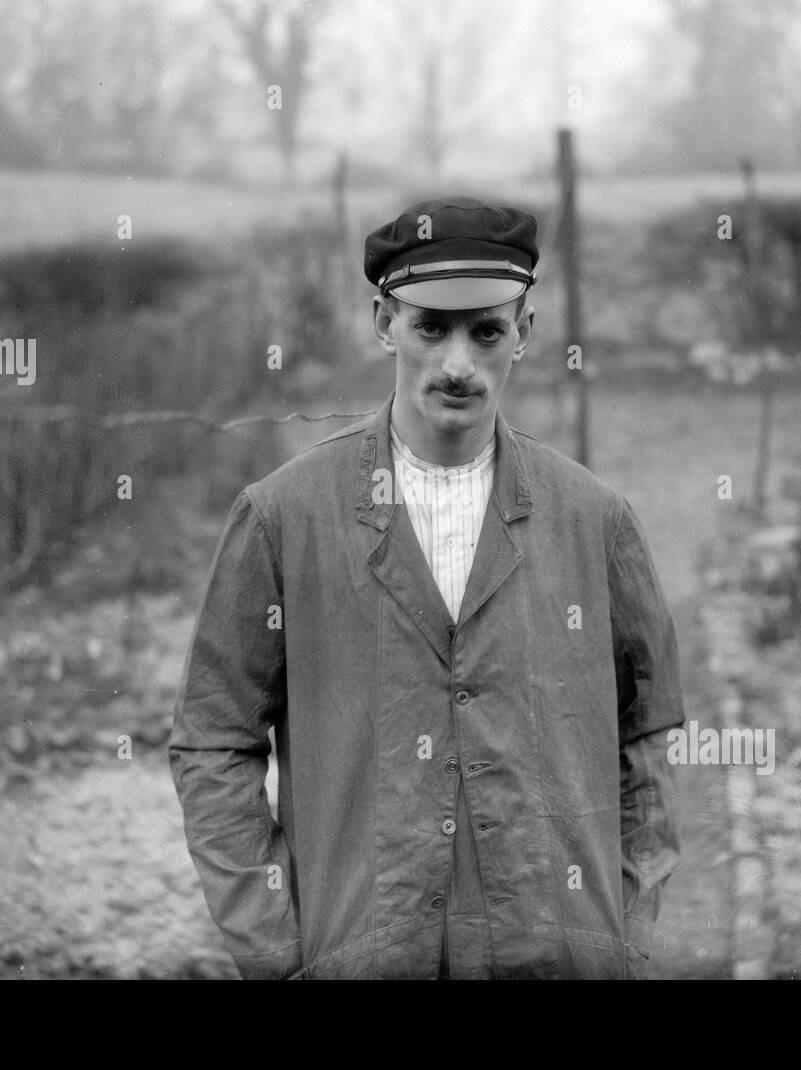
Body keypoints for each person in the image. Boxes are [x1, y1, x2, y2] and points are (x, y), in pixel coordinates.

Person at [169, 196, 685, 980]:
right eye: (430, 328)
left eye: (487, 332)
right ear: (384, 323)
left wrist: (617, 934)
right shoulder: (282, 518)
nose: (457, 365)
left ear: (526, 334)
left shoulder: (596, 521)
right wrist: (279, 951)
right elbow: (214, 740)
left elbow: (648, 736)